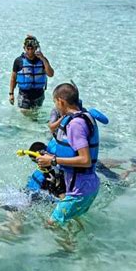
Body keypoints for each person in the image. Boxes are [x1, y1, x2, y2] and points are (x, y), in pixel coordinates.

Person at [37, 83, 102, 226]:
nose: (56, 106)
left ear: (61, 101)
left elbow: (85, 160)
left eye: (55, 102)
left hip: (80, 191)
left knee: (50, 225)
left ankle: (70, 249)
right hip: (87, 186)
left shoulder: (75, 124)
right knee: (71, 223)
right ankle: (77, 248)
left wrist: (52, 161)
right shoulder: (85, 117)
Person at [9, 35, 54, 114]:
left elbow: (50, 74)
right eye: (28, 49)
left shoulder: (42, 60)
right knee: (25, 113)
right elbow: (13, 78)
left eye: (32, 48)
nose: (30, 51)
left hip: (39, 94)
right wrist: (11, 94)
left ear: (36, 48)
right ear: (24, 48)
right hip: (24, 94)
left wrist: (43, 59)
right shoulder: (18, 61)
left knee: (35, 115)